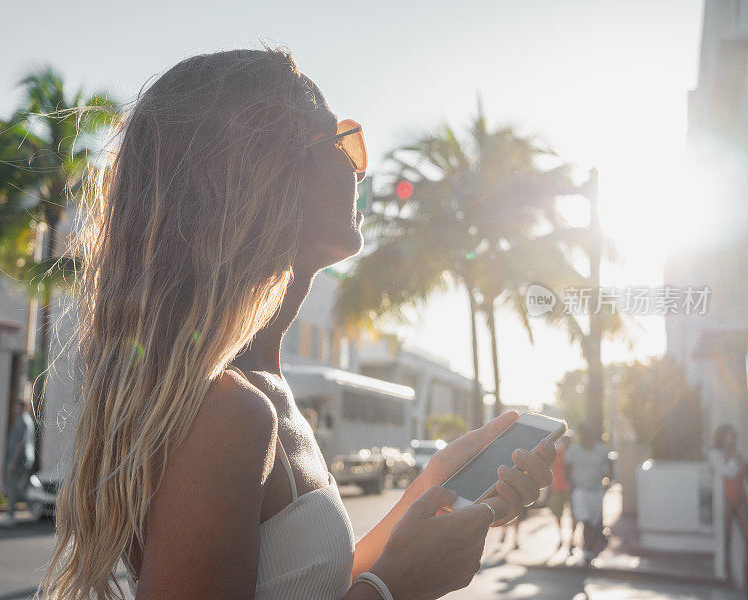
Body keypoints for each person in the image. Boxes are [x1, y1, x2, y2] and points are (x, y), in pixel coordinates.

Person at [38, 47, 557, 600]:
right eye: (342, 141)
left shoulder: (262, 385)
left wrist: (436, 486)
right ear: (262, 174)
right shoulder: (225, 412)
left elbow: (307, 582)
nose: (360, 165)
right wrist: (397, 588)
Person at [563, 423, 609, 565]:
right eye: (584, 433)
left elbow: (610, 464)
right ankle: (587, 550)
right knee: (586, 521)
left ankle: (588, 548)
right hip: (580, 491)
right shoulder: (573, 451)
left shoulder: (601, 450)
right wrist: (571, 484)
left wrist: (608, 482)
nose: (587, 436)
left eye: (589, 432)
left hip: (596, 490)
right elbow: (566, 468)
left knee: (594, 522)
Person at [709, 424, 748, 589]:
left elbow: (742, 476)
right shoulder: (715, 454)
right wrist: (733, 458)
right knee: (726, 539)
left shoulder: (738, 454)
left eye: (734, 435)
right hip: (725, 499)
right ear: (722, 437)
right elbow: (728, 472)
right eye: (729, 435)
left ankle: (745, 577)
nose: (732, 438)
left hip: (740, 498)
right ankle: (726, 577)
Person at [0, 398, 35, 527]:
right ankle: (33, 507)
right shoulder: (23, 421)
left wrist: (13, 462)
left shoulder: (23, 422)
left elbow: (20, 444)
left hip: (19, 460)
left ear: (23, 407)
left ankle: (11, 515)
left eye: (17, 406)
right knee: (18, 487)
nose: (14, 409)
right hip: (22, 460)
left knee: (12, 487)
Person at [547, 434, 574, 550]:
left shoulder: (574, 454)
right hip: (558, 488)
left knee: (574, 515)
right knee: (558, 515)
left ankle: (571, 540)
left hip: (571, 489)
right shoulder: (557, 454)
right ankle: (562, 538)